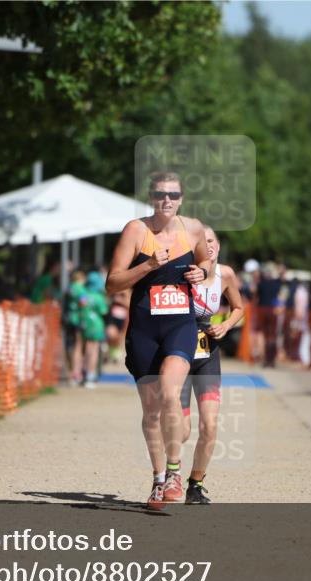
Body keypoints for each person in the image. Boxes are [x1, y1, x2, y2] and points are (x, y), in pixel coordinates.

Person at [106, 171, 212, 510]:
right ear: (151, 197)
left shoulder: (192, 228)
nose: (167, 200)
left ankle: (174, 474)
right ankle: (157, 479)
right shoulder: (136, 231)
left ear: (182, 199)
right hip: (144, 329)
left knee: (170, 391)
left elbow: (206, 260)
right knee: (151, 412)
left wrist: (202, 272)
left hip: (180, 325)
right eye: (160, 194)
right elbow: (112, 283)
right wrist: (148, 266)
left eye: (173, 194)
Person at [176, 226, 244, 504]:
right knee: (181, 431)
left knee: (210, 425)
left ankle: (196, 484)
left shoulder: (225, 274)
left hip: (208, 354)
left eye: (212, 240)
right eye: (203, 242)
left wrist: (225, 326)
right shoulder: (183, 273)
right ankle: (169, 475)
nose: (210, 245)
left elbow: (238, 308)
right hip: (178, 352)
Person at [254, 263, 283, 367]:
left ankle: (266, 358)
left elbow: (256, 297)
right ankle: (271, 359)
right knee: (272, 335)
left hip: (262, 309)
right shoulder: (277, 284)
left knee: (264, 335)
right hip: (273, 310)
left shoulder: (261, 284)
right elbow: (280, 297)